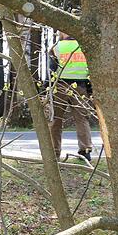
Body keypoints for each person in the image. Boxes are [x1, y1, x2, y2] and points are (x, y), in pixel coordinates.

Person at [48, 32, 95, 162]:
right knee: (82, 119)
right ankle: (85, 151)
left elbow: (51, 69)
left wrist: (47, 88)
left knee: (56, 120)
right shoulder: (83, 46)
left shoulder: (56, 47)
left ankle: (54, 152)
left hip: (60, 86)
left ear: (62, 33)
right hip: (80, 87)